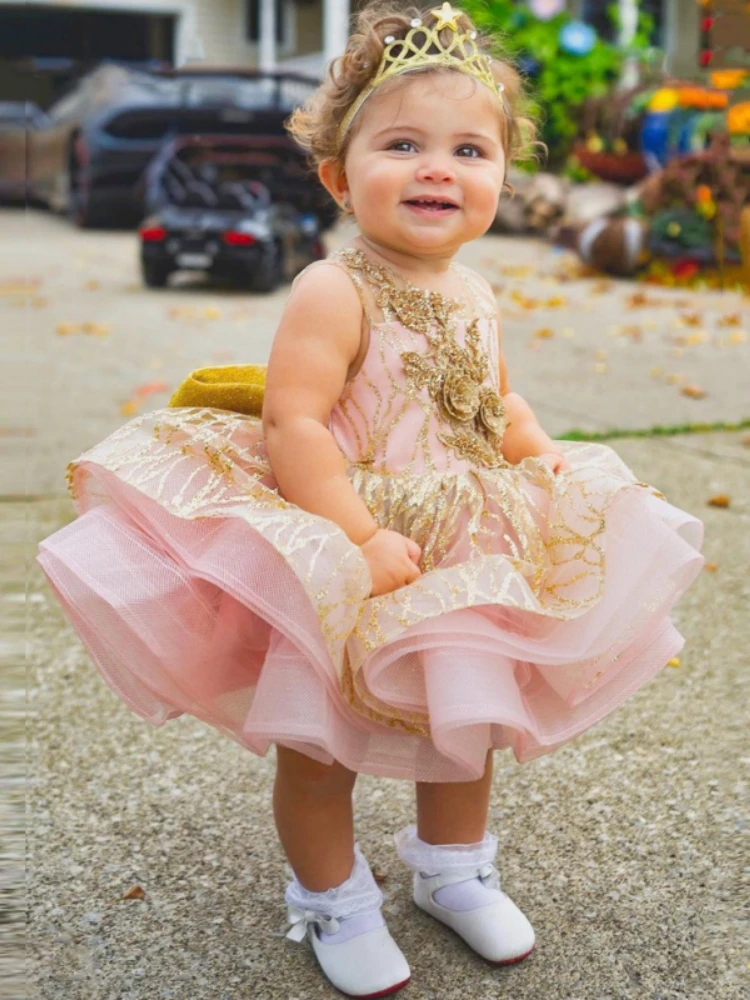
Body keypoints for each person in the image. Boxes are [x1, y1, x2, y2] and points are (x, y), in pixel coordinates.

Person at [37, 4, 704, 997]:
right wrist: (356, 533)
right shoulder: (331, 288)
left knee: (462, 718)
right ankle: (332, 894)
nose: (438, 167)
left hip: (470, 539)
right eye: (403, 144)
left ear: (501, 180)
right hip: (352, 533)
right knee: (323, 736)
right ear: (340, 176)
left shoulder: (477, 292)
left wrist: (541, 450)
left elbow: (493, 400)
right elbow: (295, 426)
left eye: (468, 149)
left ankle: (451, 867)